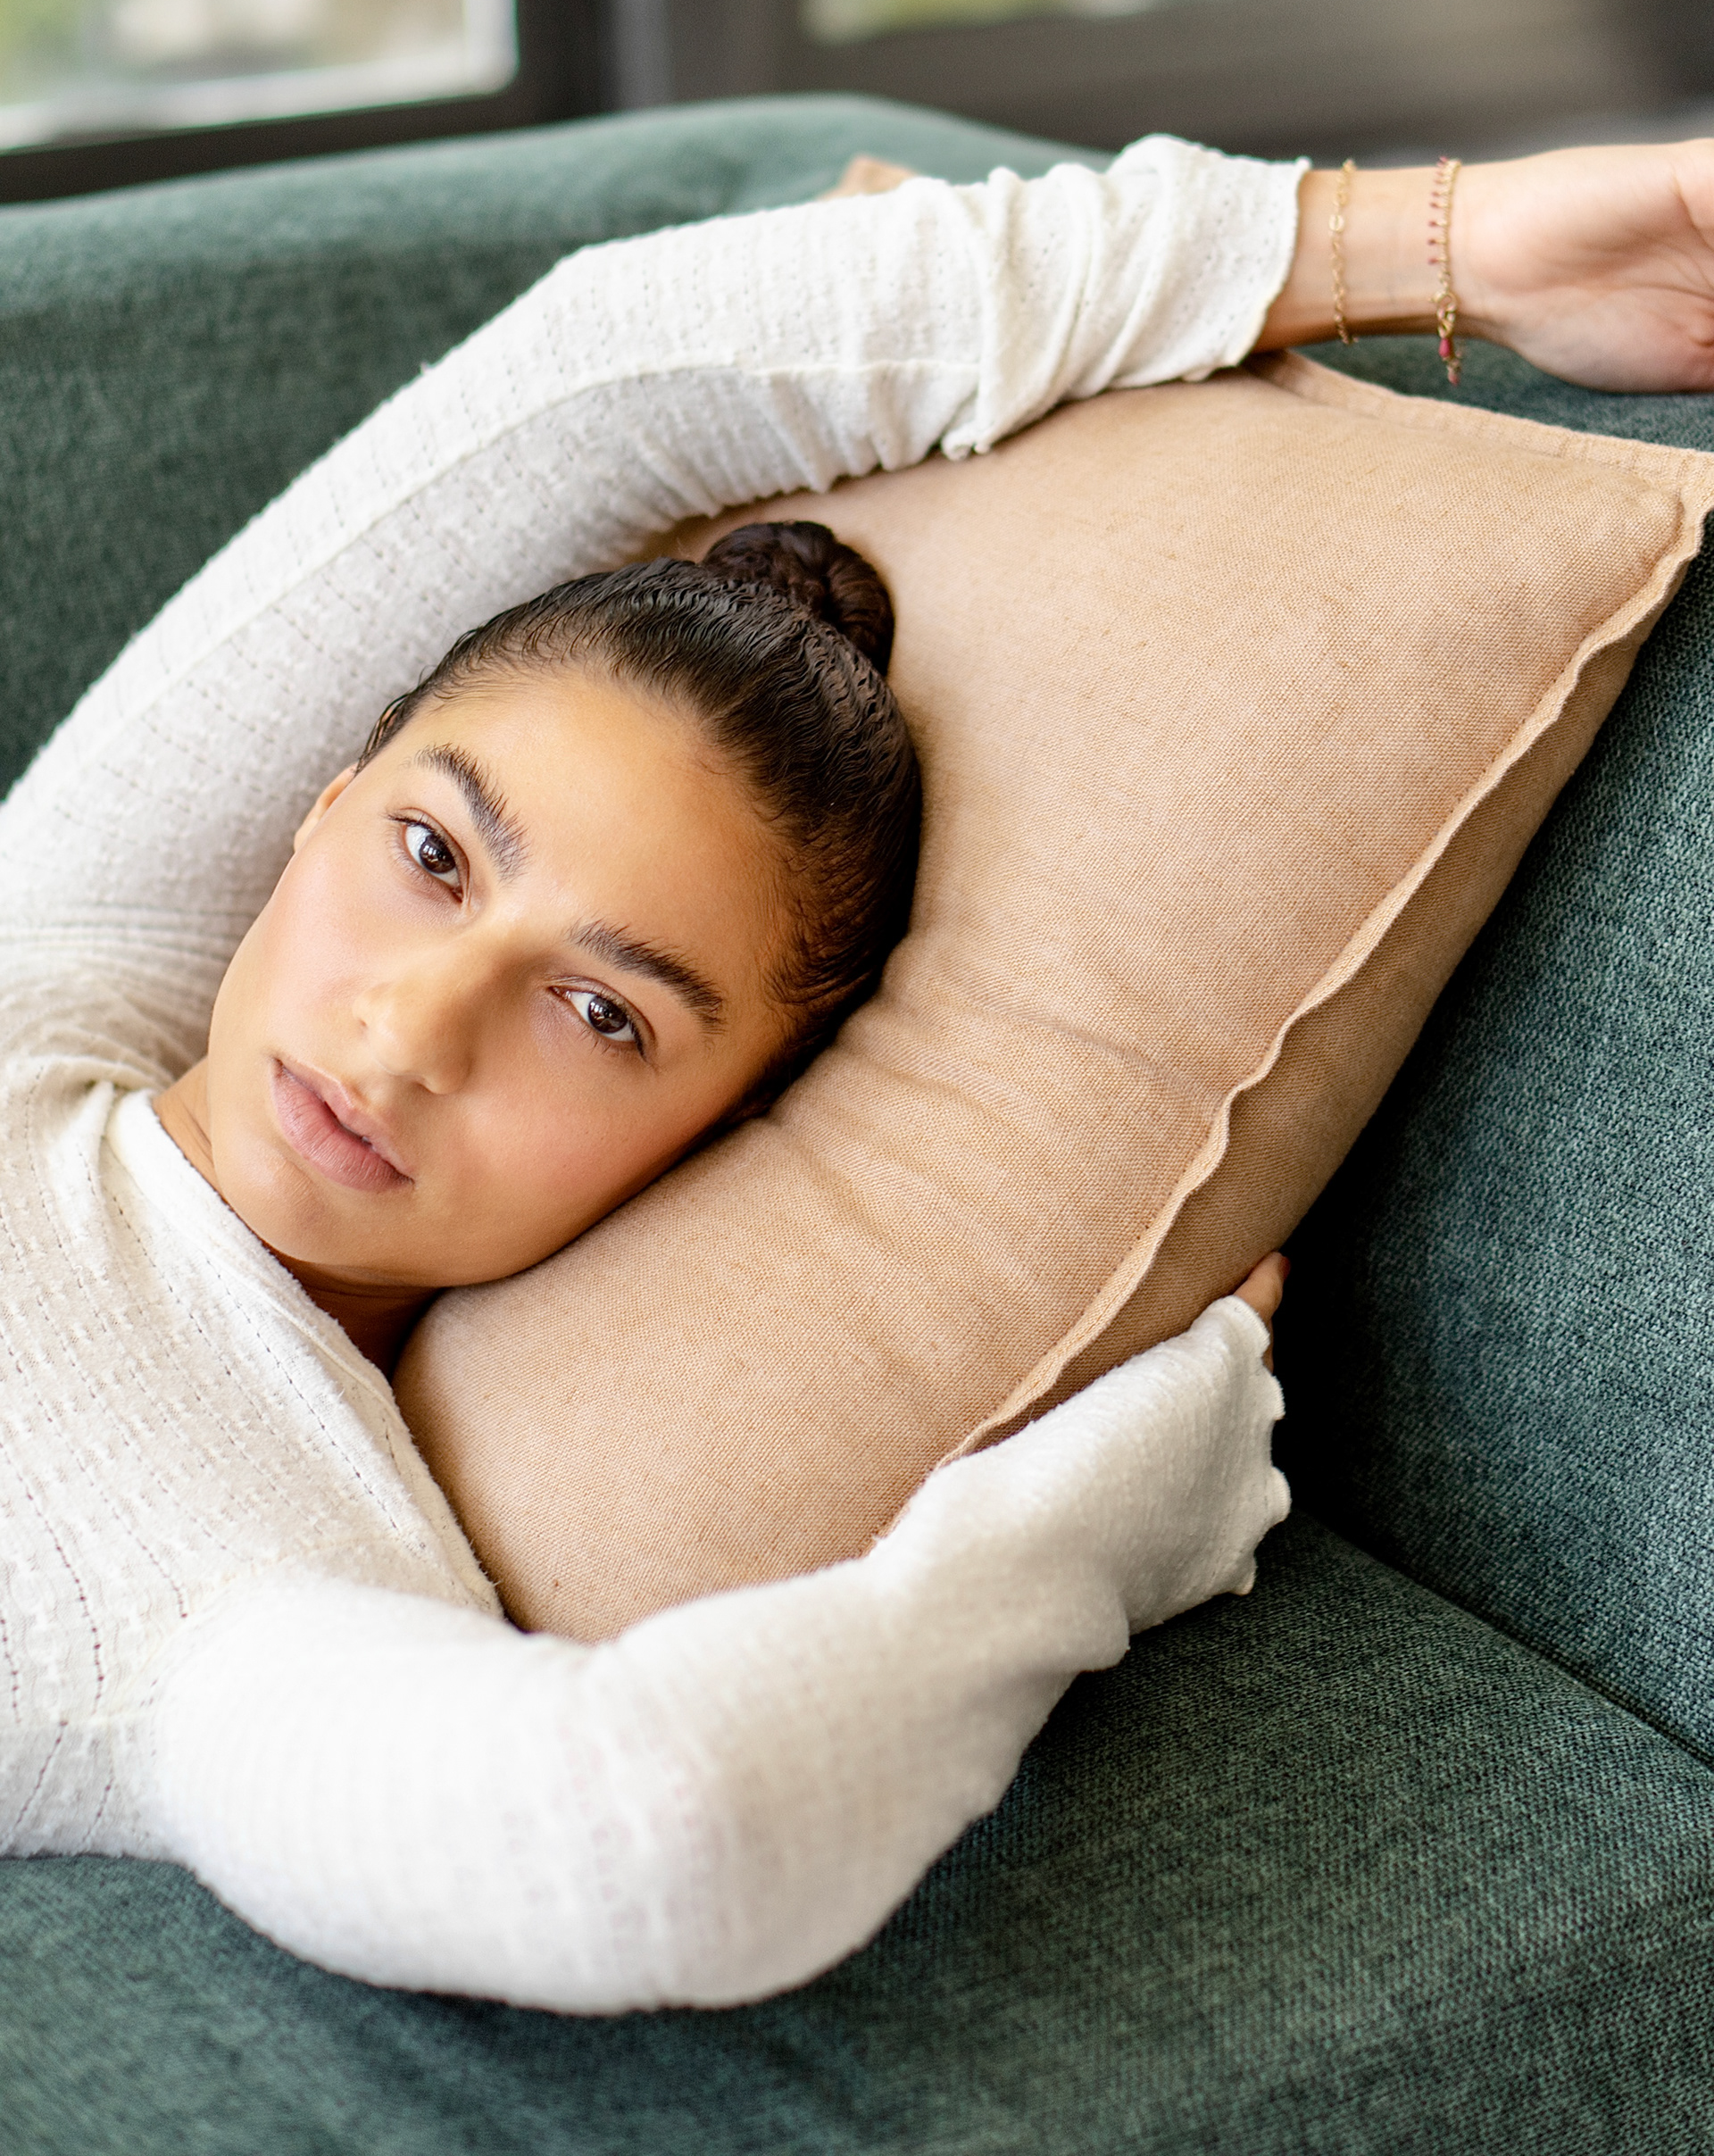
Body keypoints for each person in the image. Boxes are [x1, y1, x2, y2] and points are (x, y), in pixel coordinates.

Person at [3, 128, 1710, 2015]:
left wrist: (1090, 1524)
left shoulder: (251, 1577)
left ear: (715, 1132)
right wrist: (1448, 239)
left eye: (604, 1013)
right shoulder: (61, 953)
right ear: (320, 800)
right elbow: (611, 370)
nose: (407, 1033)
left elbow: (648, 1845)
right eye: (431, 853)